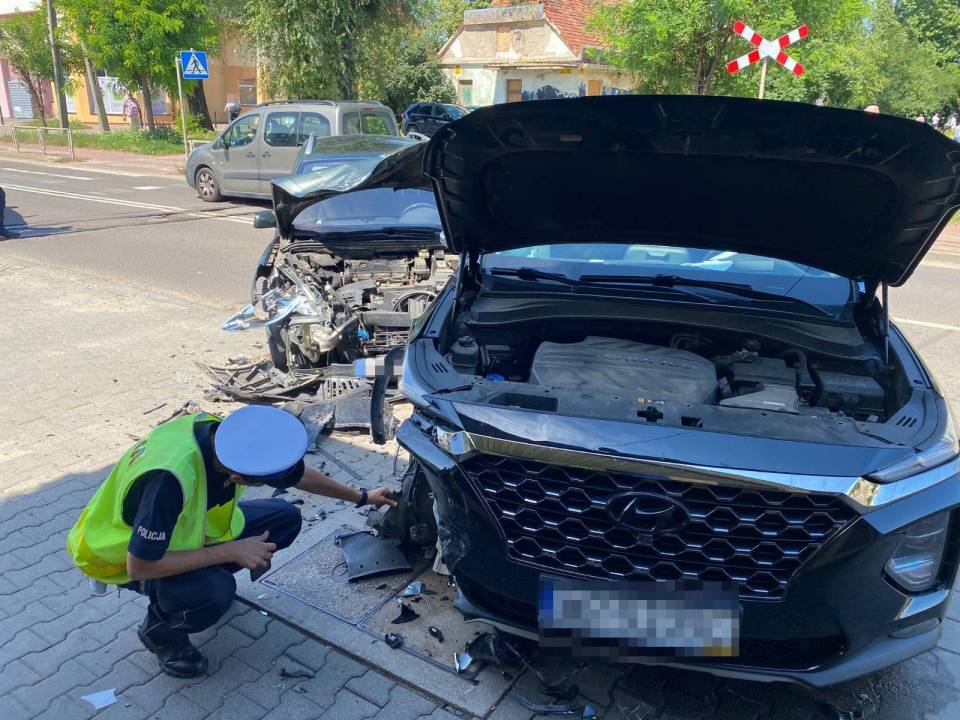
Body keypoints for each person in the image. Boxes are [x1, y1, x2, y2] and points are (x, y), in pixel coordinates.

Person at [67, 405, 397, 678]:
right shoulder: (168, 480)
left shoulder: (227, 437)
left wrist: (363, 497)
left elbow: (298, 475)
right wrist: (231, 552)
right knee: (214, 593)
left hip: (182, 539)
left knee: (285, 518)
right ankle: (162, 631)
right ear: (237, 478)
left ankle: (199, 583)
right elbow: (139, 565)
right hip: (121, 556)